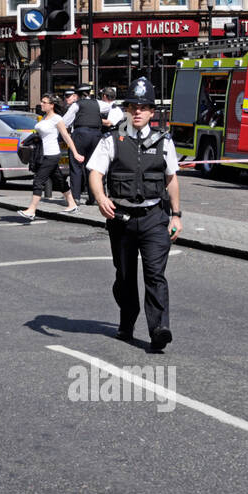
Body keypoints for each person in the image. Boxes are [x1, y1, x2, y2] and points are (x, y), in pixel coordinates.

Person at [87, 76, 182, 352]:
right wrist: (101, 197)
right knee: (125, 276)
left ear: (153, 111)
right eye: (132, 106)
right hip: (122, 218)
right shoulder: (112, 140)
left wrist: (177, 215)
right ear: (126, 110)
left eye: (143, 107)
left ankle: (159, 329)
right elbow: (95, 172)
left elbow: (171, 178)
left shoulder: (164, 141)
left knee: (155, 274)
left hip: (154, 216)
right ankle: (127, 321)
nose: (137, 111)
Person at [20, 94, 84, 219]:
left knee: (38, 181)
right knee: (59, 180)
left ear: (51, 105)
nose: (41, 104)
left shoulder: (57, 118)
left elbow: (66, 136)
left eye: (44, 102)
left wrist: (75, 153)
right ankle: (72, 204)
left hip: (52, 154)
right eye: (41, 102)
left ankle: (31, 210)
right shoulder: (44, 117)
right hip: (44, 153)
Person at [68, 84, 104, 205]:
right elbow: (112, 108)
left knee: (76, 166)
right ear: (89, 93)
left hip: (80, 135)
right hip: (96, 135)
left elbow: (66, 121)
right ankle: (93, 198)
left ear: (77, 94)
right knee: (92, 166)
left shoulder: (76, 105)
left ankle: (76, 198)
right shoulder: (98, 103)